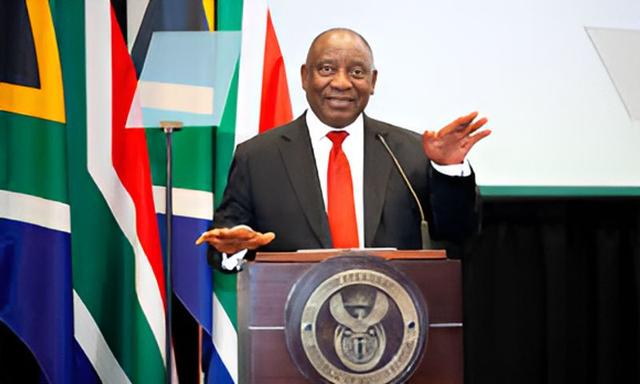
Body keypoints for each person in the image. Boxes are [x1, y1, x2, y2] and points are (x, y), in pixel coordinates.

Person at [196, 28, 491, 271]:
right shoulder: (258, 157)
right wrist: (232, 249)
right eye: (326, 69)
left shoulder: (410, 152)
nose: (341, 83)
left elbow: (459, 235)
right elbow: (224, 241)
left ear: (372, 82)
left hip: (394, 323)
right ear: (304, 76)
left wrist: (449, 170)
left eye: (357, 72)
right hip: (292, 325)